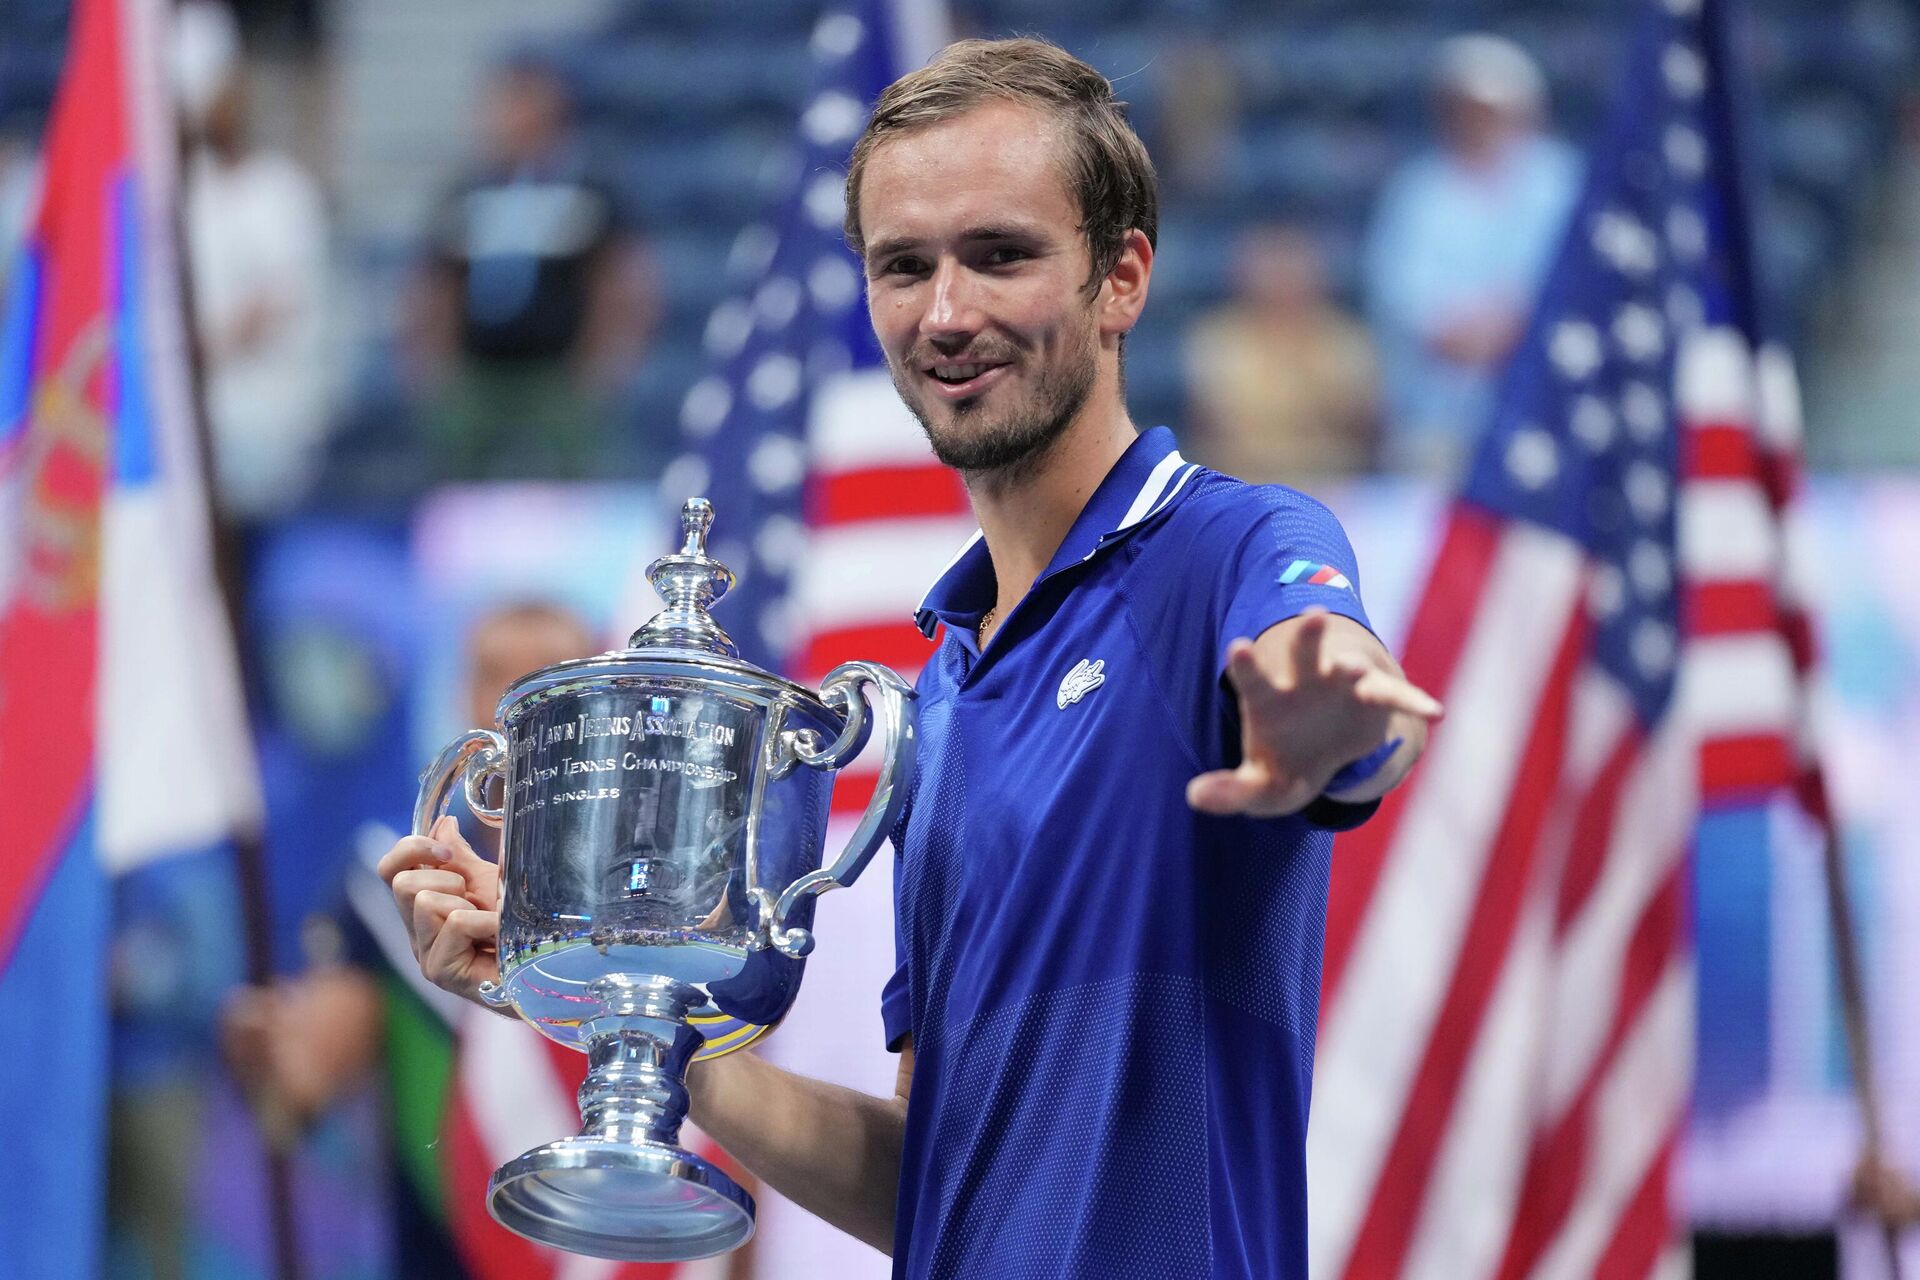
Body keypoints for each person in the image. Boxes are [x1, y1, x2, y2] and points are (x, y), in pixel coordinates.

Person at [381, 38, 1442, 1278]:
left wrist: (1333, 725)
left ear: (1123, 279)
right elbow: (936, 1178)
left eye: (1000, 254)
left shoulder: (1231, 544)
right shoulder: (941, 691)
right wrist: (630, 1009)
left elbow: (1346, 694)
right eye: (904, 266)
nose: (946, 313)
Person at [402, 49, 658, 481]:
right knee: (459, 490)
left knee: (572, 490)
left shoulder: (588, 189)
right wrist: (429, 364)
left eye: (518, 100)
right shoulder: (465, 194)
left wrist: (608, 361)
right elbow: (433, 285)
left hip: (559, 375)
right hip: (476, 374)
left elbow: (624, 281)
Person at [1361, 33, 1580, 478]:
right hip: (1440, 419)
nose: (1474, 121)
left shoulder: (1560, 180)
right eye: (1462, 107)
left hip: (1549, 413)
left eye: (1488, 108)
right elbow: (1405, 300)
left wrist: (1514, 327)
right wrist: (1474, 334)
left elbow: (1578, 279)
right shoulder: (1419, 189)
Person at [176, 0, 333, 525]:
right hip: (184, 424)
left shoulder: (281, 189)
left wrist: (197, 346)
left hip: (264, 424)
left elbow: (280, 303)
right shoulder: (172, 197)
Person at [1184, 223, 1380, 485]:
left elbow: (1360, 424)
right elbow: (1213, 426)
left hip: (1334, 482)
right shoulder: (1216, 338)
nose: (1282, 278)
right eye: (1272, 267)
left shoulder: (1346, 337)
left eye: (1293, 266)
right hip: (1243, 484)